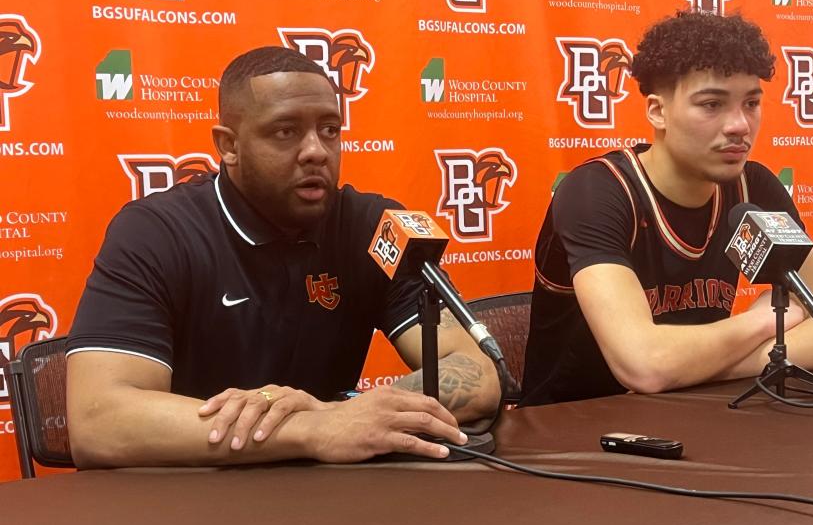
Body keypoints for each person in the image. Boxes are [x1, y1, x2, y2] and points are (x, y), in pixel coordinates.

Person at [66, 46, 500, 466]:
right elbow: (98, 421)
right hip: (191, 497)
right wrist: (310, 429)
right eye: (285, 131)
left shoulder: (373, 227)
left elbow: (478, 372)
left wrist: (342, 412)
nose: (316, 150)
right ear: (228, 146)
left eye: (330, 129)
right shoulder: (156, 233)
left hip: (333, 500)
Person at [521, 11, 813, 407]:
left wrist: (695, 369)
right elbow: (643, 366)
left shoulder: (756, 188)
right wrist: (763, 324)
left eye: (751, 103)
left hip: (700, 410)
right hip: (573, 430)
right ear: (657, 112)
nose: (739, 125)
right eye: (712, 104)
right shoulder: (598, 191)